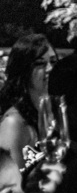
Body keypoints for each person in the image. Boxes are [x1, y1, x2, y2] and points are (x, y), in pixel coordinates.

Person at [0, 33, 57, 167]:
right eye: (40, 64)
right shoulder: (13, 124)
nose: (50, 69)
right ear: (23, 70)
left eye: (54, 62)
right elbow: (9, 184)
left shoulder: (59, 113)